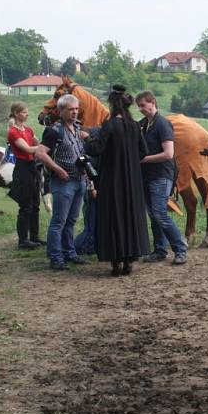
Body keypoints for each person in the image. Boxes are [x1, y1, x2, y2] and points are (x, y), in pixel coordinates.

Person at [84, 86, 149, 276]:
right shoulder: (135, 126)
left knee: (113, 217)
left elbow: (96, 149)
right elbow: (143, 151)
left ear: (113, 105)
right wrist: (129, 161)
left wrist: (87, 138)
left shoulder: (110, 125)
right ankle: (129, 261)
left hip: (112, 179)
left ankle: (116, 263)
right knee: (130, 217)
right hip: (133, 180)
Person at [35, 94, 90, 271]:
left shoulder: (78, 128)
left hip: (80, 179)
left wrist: (89, 180)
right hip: (63, 182)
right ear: (60, 111)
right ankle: (55, 257)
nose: (74, 112)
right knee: (59, 220)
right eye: (70, 109)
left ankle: (69, 252)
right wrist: (58, 169)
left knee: (72, 220)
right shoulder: (54, 131)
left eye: (76, 109)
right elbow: (40, 153)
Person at [136, 91, 188, 265]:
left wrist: (143, 160)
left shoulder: (163, 124)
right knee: (153, 215)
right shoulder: (143, 124)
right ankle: (159, 250)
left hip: (161, 175)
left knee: (160, 214)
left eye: (143, 105)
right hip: (147, 176)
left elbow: (168, 154)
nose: (141, 109)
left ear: (153, 103)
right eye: (139, 106)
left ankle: (180, 248)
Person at [6, 102, 44, 250]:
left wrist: (43, 146)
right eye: (24, 112)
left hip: (31, 167)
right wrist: (44, 148)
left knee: (35, 204)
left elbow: (37, 142)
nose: (27, 114)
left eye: (27, 112)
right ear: (16, 113)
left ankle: (34, 237)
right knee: (26, 206)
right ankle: (23, 240)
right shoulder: (13, 132)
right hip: (22, 168)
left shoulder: (28, 130)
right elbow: (28, 149)